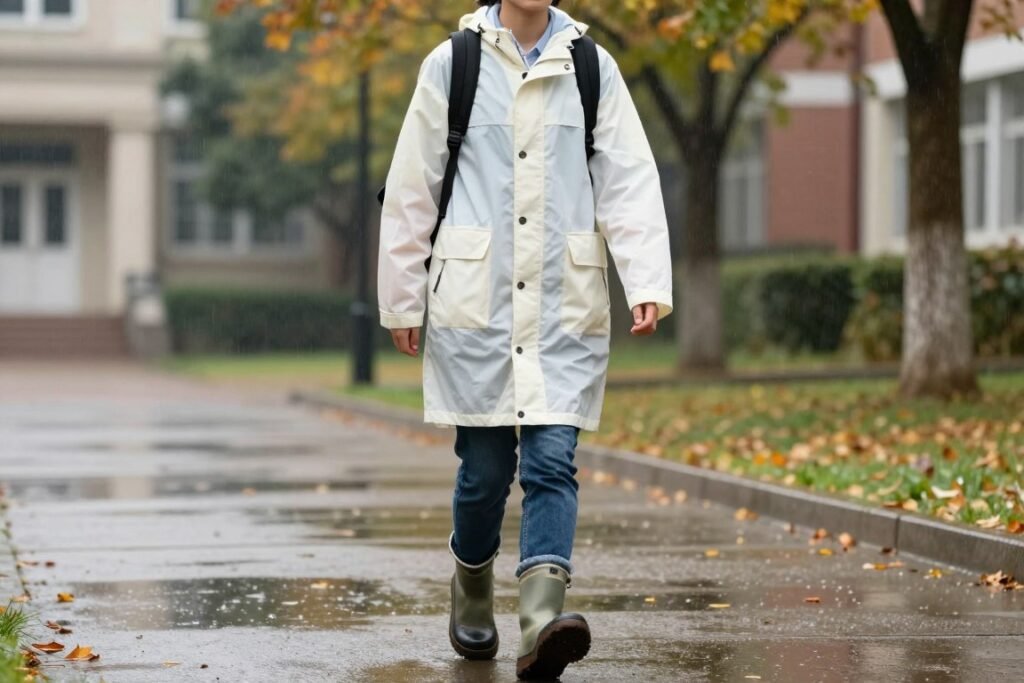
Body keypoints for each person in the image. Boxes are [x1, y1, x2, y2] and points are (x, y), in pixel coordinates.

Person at [377, 0, 673, 678]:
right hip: (476, 304)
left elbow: (627, 177)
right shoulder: (454, 63)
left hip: (560, 307)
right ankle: (472, 588)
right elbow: (413, 185)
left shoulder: (591, 66)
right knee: (483, 474)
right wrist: (400, 296)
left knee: (551, 461)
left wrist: (647, 277)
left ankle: (541, 620)